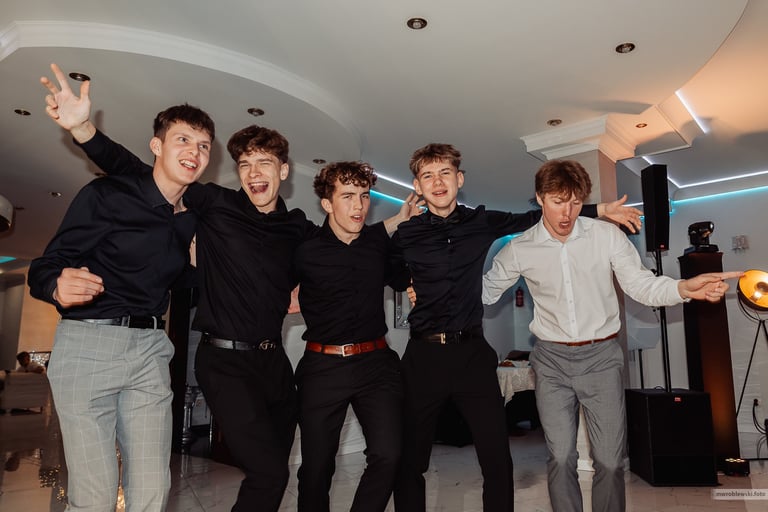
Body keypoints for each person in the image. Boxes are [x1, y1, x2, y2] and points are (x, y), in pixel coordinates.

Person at [40, 63, 416, 512]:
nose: (254, 172)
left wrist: (391, 230)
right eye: (244, 164)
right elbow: (146, 173)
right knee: (269, 472)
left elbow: (342, 243)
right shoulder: (214, 203)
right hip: (223, 361)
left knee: (273, 476)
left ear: (283, 170)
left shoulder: (298, 228)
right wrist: (84, 132)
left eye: (264, 163)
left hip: (274, 364)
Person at [390, 143, 643, 512]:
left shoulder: (480, 222)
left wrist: (600, 209)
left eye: (445, 173)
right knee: (410, 461)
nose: (438, 182)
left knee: (497, 460)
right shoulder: (405, 234)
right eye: (428, 176)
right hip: (422, 356)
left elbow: (533, 217)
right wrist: (406, 280)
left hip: (471, 354)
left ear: (459, 179)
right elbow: (385, 267)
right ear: (417, 185)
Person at [481, 159, 741, 512]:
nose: (567, 213)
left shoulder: (606, 236)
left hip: (601, 358)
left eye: (575, 202)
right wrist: (434, 289)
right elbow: (485, 291)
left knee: (609, 460)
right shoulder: (519, 248)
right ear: (540, 198)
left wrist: (683, 288)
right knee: (560, 457)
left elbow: (641, 285)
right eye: (558, 202)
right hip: (551, 361)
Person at [29, 67, 214, 511]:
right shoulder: (108, 195)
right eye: (183, 139)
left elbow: (175, 280)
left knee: (152, 489)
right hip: (89, 344)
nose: (194, 151)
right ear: (157, 146)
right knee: (94, 495)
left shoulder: (191, 215)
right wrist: (56, 284)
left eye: (204, 145)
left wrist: (199, 269)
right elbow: (45, 266)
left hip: (150, 349)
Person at [294, 161, 413, 512]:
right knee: (316, 468)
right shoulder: (305, 250)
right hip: (323, 367)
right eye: (347, 196)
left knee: (389, 454)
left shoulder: (377, 244)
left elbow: (402, 277)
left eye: (364, 196)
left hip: (376, 364)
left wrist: (415, 279)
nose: (359, 205)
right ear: (327, 204)